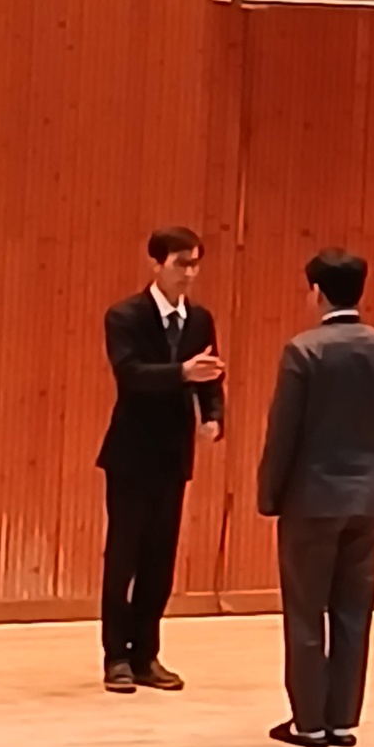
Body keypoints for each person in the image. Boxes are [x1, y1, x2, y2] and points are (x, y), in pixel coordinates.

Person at [257, 248, 374, 747]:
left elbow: (284, 433)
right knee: (353, 612)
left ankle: (308, 722)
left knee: (306, 611)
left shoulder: (304, 352)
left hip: (312, 499)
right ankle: (342, 719)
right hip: (367, 498)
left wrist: (270, 494)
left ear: (316, 292)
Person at [97, 227, 225, 693]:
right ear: (156, 264)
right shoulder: (125, 316)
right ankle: (116, 656)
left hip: (174, 454)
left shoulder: (200, 319)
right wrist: (181, 372)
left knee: (160, 559)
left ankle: (146, 654)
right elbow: (130, 374)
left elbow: (210, 374)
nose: (189, 273)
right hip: (131, 453)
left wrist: (213, 415)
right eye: (180, 263)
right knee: (124, 557)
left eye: (195, 263)